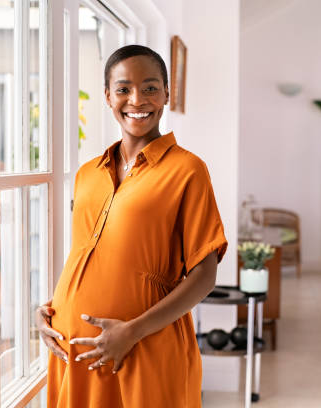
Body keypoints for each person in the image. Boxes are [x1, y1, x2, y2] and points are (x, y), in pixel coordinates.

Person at [36, 44, 227, 407]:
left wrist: (131, 331)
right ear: (108, 96)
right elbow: (88, 257)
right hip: (75, 351)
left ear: (167, 94)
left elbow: (204, 276)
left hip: (144, 346)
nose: (136, 99)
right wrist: (51, 308)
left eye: (150, 87)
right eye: (123, 89)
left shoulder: (188, 170)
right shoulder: (86, 173)